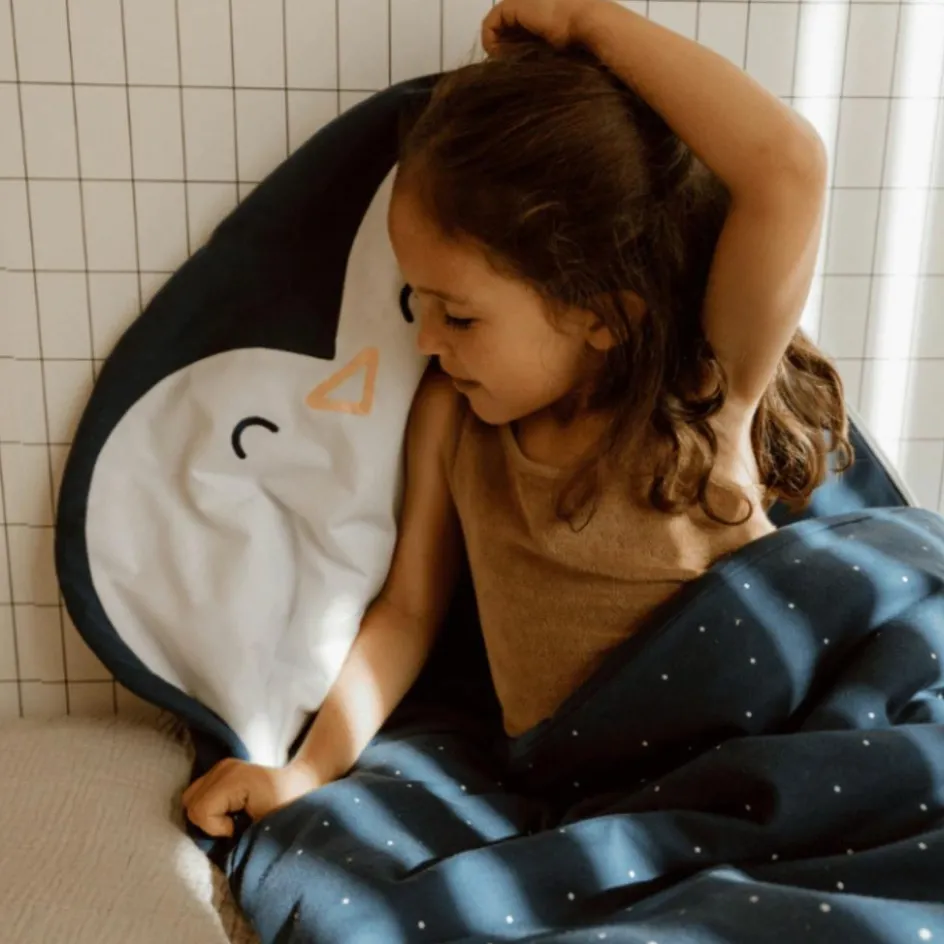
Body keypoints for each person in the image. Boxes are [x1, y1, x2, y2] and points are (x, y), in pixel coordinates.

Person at [184, 0, 849, 837]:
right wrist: (306, 771)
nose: (426, 341)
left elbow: (788, 167)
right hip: (587, 793)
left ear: (602, 316)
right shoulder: (453, 423)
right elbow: (408, 614)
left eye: (458, 316)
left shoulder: (698, 397)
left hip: (752, 766)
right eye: (416, 303)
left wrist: (587, 22)